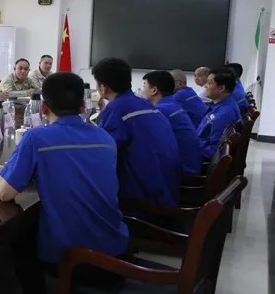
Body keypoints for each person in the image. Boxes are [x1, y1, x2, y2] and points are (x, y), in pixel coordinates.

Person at [0, 72, 128, 294]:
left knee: (20, 238)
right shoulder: (104, 138)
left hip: (73, 255)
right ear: (83, 106)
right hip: (114, 242)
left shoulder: (37, 138)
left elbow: (5, 193)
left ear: (44, 107)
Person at [92, 58, 180, 207]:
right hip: (167, 189)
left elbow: (101, 153)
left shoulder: (117, 108)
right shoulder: (143, 103)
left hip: (143, 200)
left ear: (103, 87)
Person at [142, 71, 202, 176]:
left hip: (183, 170)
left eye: (144, 86)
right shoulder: (172, 103)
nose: (142, 91)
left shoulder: (161, 110)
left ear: (154, 90)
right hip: (192, 163)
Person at [197, 68, 242, 160]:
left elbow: (213, 151)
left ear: (221, 88)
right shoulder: (223, 104)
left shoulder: (224, 114)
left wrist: (188, 148)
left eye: (209, 83)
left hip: (198, 157)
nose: (205, 86)